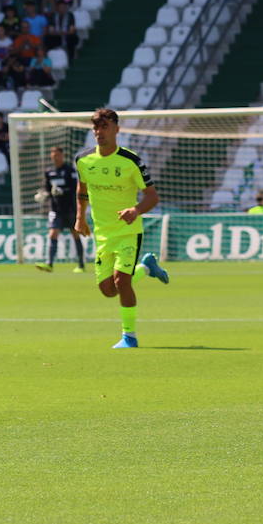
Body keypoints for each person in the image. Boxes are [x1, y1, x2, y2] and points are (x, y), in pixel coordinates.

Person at [73, 108, 170, 350]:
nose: (99, 132)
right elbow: (82, 189)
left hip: (128, 231)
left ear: (117, 128)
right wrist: (80, 218)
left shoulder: (131, 161)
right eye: (96, 127)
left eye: (104, 126)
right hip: (102, 233)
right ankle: (146, 268)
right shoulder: (83, 160)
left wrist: (136, 210)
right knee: (108, 290)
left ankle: (130, 336)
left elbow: (152, 197)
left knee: (122, 281)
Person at [36, 146, 85, 273]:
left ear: (62, 155)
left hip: (69, 208)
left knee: (75, 235)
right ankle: (49, 264)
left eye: (57, 154)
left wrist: (63, 191)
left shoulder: (69, 170)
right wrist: (44, 195)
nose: (55, 157)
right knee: (53, 233)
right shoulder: (49, 172)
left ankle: (81, 264)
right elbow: (47, 189)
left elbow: (75, 187)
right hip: (55, 209)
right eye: (53, 155)